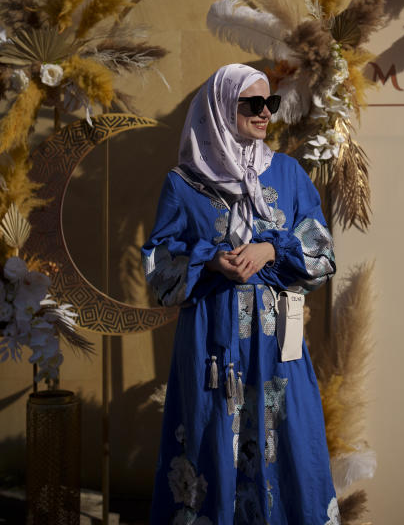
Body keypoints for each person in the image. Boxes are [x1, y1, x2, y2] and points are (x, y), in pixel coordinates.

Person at [143, 64, 340, 525]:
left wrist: (272, 247)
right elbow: (158, 269)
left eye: (269, 103)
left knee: (290, 439)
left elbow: (322, 254)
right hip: (213, 345)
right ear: (219, 108)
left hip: (277, 346)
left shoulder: (288, 174)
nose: (265, 113)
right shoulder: (183, 183)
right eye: (252, 104)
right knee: (212, 438)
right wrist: (210, 259)